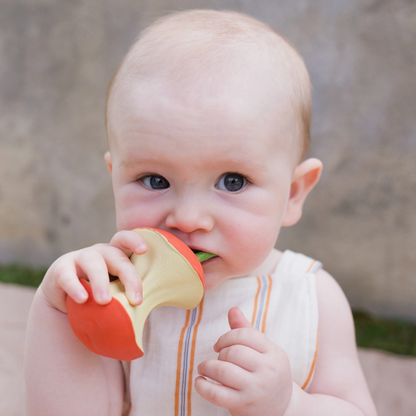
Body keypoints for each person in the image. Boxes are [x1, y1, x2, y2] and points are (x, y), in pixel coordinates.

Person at [24, 9, 377, 416]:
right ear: (114, 178)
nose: (188, 219)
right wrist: (57, 310)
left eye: (233, 181)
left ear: (293, 194)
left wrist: (289, 403)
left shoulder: (311, 297)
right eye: (155, 180)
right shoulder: (117, 292)